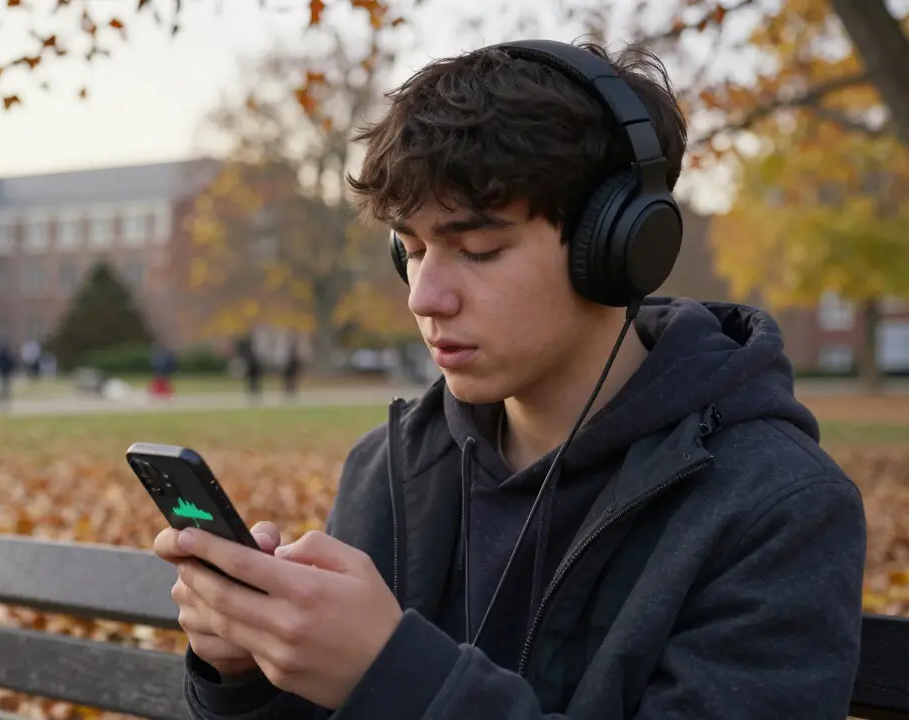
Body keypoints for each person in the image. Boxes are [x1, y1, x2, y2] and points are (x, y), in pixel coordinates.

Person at [153, 39, 867, 719]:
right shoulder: (388, 468)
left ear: (618, 248)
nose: (424, 297)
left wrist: (393, 675)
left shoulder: (778, 509)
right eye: (412, 249)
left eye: (478, 249)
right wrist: (247, 673)